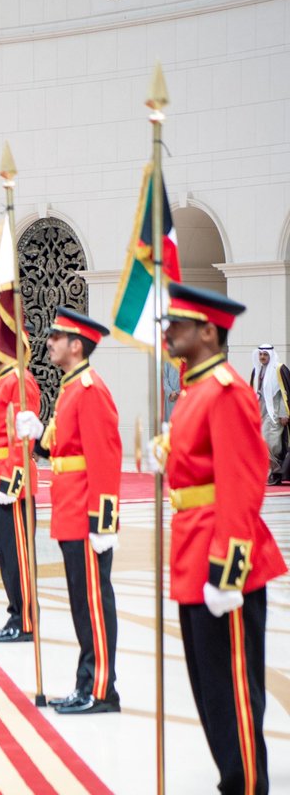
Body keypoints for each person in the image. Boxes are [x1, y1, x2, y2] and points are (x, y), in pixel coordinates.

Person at [158, 283, 286, 795]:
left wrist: (227, 570)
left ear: (207, 332)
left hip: (222, 562)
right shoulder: (196, 389)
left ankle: (246, 785)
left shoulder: (226, 390)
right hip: (193, 553)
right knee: (211, 691)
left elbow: (242, 482)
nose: (167, 332)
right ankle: (233, 779)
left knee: (233, 691)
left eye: (177, 325)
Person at [25, 308, 122, 714]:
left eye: (56, 337)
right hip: (69, 508)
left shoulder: (89, 390)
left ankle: (100, 689)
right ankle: (87, 682)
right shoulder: (69, 389)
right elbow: (58, 449)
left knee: (93, 603)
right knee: (82, 603)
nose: (49, 342)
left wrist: (104, 521)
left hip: (86, 514)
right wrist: (36, 435)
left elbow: (105, 458)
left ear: (76, 344)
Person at [0, 348, 41, 643]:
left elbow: (21, 438)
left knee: (17, 557)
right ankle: (16, 613)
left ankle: (24, 619)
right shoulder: (4, 380)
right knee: (6, 555)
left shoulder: (19, 380)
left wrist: (12, 483)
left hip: (9, 482)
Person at [249, 343, 289, 484]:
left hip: (275, 412)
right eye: (260, 354)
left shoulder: (279, 369)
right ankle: (270, 473)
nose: (262, 357)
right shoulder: (257, 370)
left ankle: (276, 472)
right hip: (260, 410)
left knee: (271, 443)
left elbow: (283, 394)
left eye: (265, 354)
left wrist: (284, 414)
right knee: (260, 441)